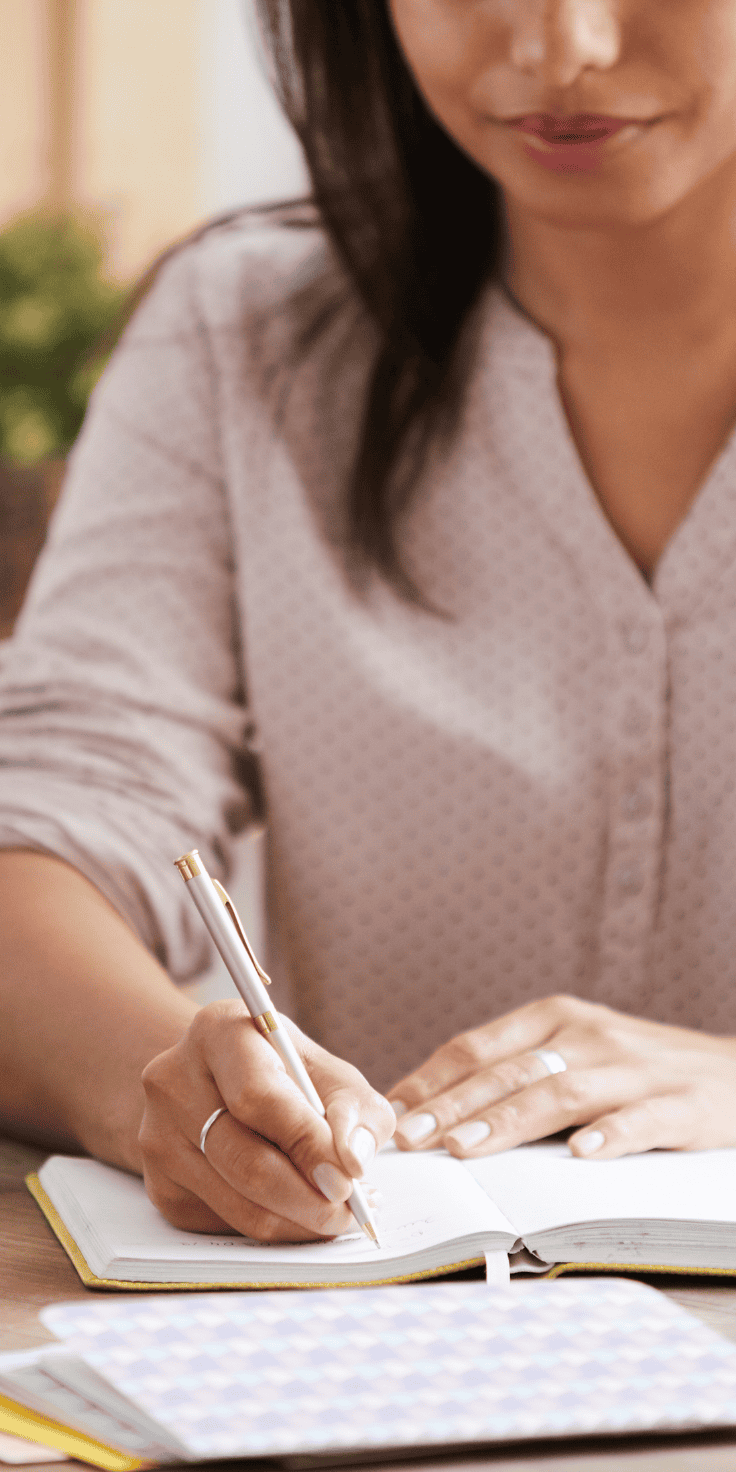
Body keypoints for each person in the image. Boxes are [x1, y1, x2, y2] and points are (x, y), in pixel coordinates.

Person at [1, 0, 736, 1243]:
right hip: (380, 1351)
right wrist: (172, 1080)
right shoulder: (245, 335)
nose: (563, 50)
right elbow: (49, 821)